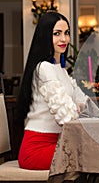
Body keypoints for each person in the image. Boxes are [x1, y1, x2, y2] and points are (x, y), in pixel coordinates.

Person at [17, 12, 89, 170]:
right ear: (45, 36)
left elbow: (83, 103)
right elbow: (67, 116)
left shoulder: (60, 69)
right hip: (37, 148)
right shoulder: (44, 68)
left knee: (97, 153)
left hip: (58, 143)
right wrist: (75, 108)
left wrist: (77, 107)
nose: (64, 39)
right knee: (94, 154)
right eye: (57, 34)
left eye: (67, 33)